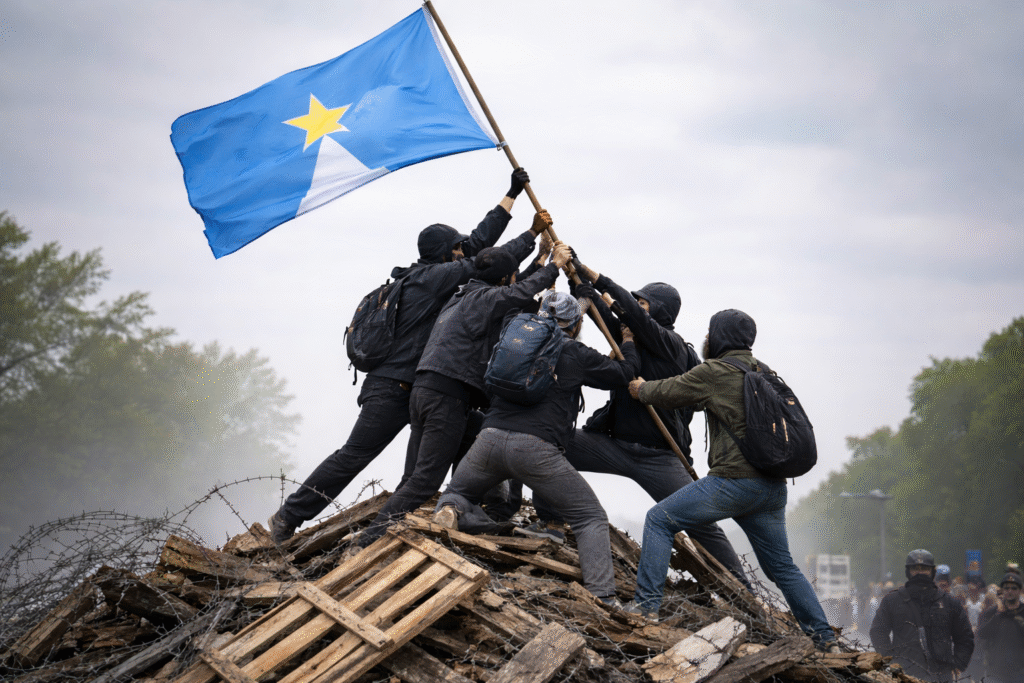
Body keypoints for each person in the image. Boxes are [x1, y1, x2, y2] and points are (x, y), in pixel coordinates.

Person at [267, 169, 546, 543]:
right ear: (448, 254)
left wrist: (510, 196)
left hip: (419, 389)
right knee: (356, 456)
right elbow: (488, 256)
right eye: (459, 249)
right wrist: (529, 235)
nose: (465, 252)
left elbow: (484, 257)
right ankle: (289, 517)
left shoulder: (423, 279)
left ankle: (465, 515)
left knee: (465, 443)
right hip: (395, 388)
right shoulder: (433, 280)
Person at [524, 262, 750, 589]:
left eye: (643, 304)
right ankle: (551, 522)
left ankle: (742, 590)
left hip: (659, 458)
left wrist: (596, 277)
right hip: (613, 447)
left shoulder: (671, 345)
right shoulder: (627, 339)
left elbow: (627, 312)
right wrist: (579, 282)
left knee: (701, 521)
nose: (634, 310)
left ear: (658, 311)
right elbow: (603, 315)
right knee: (552, 442)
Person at [625, 309, 839, 651]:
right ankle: (825, 638)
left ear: (719, 337)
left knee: (659, 520)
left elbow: (670, 392)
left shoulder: (716, 371)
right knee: (782, 567)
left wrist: (641, 388)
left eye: (710, 333)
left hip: (734, 484)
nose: (707, 339)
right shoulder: (766, 372)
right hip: (771, 489)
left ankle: (645, 608)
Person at [353, 241, 574, 548]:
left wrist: (540, 260)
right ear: (502, 279)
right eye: (510, 276)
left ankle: (467, 508)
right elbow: (516, 294)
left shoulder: (462, 296)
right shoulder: (484, 299)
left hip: (426, 391)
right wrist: (554, 266)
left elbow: (512, 293)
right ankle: (368, 541)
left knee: (473, 436)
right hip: (447, 395)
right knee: (425, 480)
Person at [432, 291, 641, 604]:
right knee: (590, 517)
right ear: (575, 324)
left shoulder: (513, 341)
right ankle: (604, 598)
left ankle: (451, 510)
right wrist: (628, 341)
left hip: (487, 440)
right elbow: (624, 374)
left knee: (459, 492)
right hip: (534, 449)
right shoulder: (574, 351)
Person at [869, 549, 974, 682]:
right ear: (908, 571)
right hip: (905, 675)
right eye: (915, 569)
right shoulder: (892, 601)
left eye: (924, 569)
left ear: (932, 572)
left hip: (941, 676)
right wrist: (890, 660)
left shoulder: (949, 603)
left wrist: (958, 665)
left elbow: (965, 637)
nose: (920, 573)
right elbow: (877, 632)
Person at [975, 572, 1024, 683]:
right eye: (1006, 588)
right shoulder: (992, 612)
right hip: (995, 672)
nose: (1010, 591)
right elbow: (981, 634)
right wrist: (998, 615)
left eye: (1014, 588)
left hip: (1020, 672)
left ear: (1020, 590)